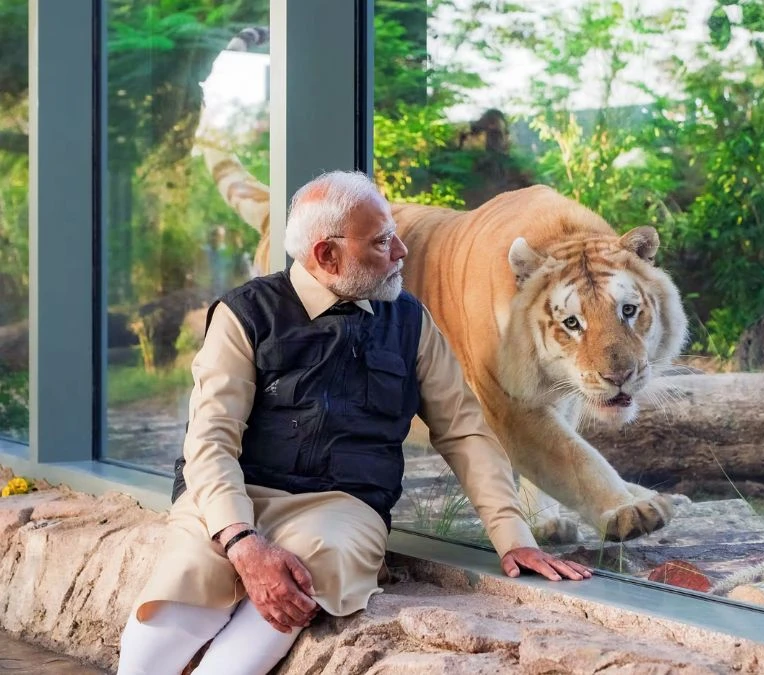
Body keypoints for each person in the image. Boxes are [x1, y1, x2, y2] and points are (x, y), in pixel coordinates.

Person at [117, 170, 591, 675]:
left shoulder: (411, 322)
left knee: (303, 581)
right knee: (182, 587)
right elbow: (210, 443)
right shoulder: (245, 315)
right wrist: (241, 539)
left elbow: (464, 430)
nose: (402, 252)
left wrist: (513, 535)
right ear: (327, 255)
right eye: (382, 241)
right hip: (233, 493)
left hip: (341, 508)